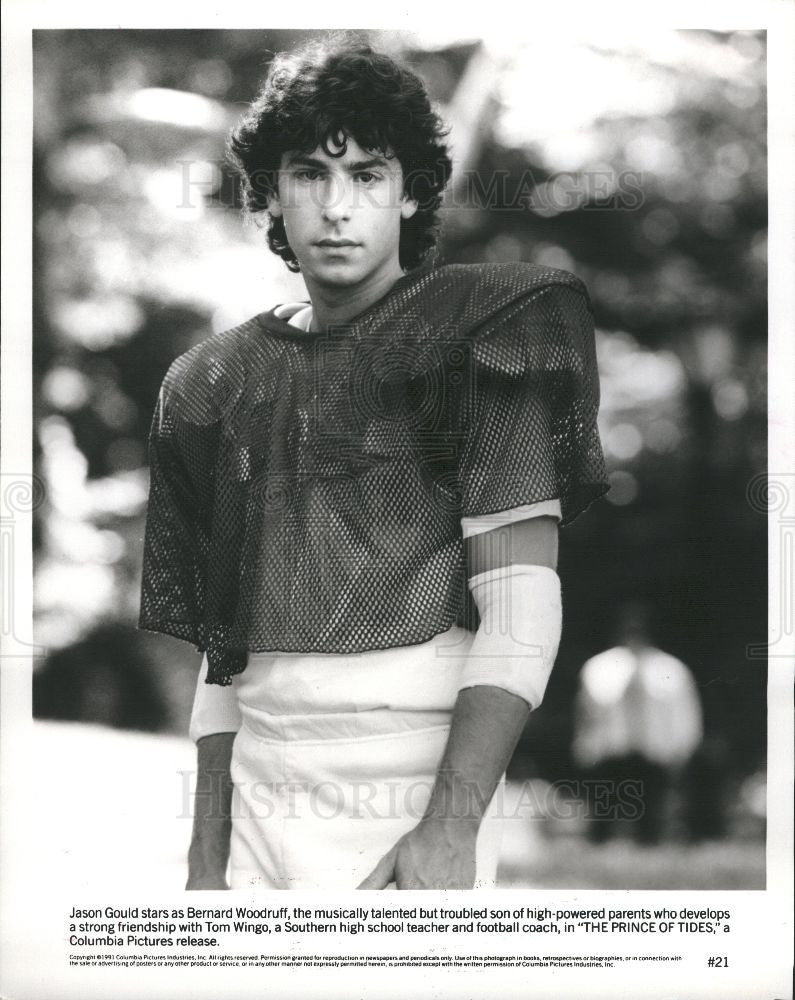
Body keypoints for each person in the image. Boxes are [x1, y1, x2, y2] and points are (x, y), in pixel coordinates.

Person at [139, 35, 609, 890]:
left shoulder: (479, 336)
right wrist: (205, 857)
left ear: (410, 193)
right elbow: (223, 651)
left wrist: (449, 827)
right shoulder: (214, 380)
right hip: (258, 800)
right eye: (309, 175)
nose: (335, 206)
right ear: (270, 196)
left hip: (412, 791)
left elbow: (521, 612)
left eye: (366, 175)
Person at [572, 601, 703, 844]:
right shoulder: (598, 668)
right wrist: (585, 747)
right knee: (603, 814)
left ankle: (648, 854)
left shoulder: (672, 670)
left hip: (654, 753)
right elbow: (585, 715)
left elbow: (685, 714)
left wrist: (682, 750)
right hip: (610, 752)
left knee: (651, 815)